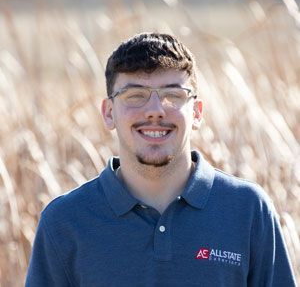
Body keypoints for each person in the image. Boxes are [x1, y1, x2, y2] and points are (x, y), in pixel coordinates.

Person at [25, 32, 297, 286]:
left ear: (197, 112)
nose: (155, 110)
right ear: (109, 113)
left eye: (172, 95)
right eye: (135, 96)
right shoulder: (65, 221)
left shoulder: (247, 210)